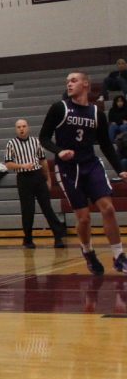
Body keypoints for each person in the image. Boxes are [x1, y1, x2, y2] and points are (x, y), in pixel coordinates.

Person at [38, 71, 127, 275]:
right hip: (68, 168)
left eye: (74, 80)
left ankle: (119, 256)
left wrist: (120, 170)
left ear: (85, 84)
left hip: (91, 164)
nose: (69, 84)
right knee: (84, 217)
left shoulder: (97, 113)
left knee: (108, 209)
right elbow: (43, 137)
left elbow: (106, 145)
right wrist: (59, 151)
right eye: (67, 82)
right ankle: (87, 251)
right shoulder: (60, 108)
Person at [5, 118, 66, 248]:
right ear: (16, 129)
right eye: (19, 127)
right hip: (23, 178)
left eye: (24, 126)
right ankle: (28, 239)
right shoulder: (11, 143)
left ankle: (58, 237)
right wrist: (22, 165)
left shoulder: (35, 141)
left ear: (28, 127)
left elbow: (43, 161)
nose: (21, 129)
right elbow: (8, 164)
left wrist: (48, 179)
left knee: (47, 207)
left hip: (38, 176)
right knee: (28, 210)